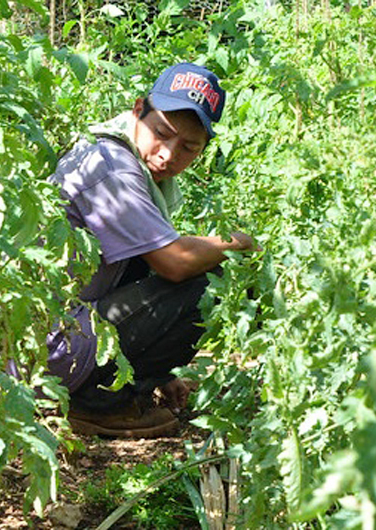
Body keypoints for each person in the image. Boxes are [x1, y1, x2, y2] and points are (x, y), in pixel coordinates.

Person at [46, 62, 256, 438]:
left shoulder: (134, 166)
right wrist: (240, 242)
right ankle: (96, 404)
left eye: (188, 148)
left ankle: (119, 390)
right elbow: (174, 263)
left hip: (63, 335)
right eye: (161, 133)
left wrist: (157, 373)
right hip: (50, 350)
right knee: (212, 276)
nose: (167, 155)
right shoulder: (110, 165)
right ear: (138, 110)